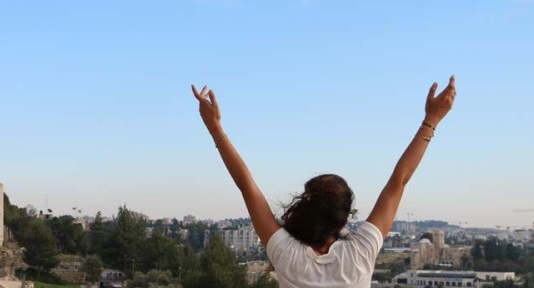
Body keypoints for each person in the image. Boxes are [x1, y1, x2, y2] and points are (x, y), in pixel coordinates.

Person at [190, 76, 457, 287]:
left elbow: (246, 185)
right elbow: (399, 181)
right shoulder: (360, 253)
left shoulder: (286, 254)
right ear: (343, 219)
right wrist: (431, 120)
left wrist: (215, 128)